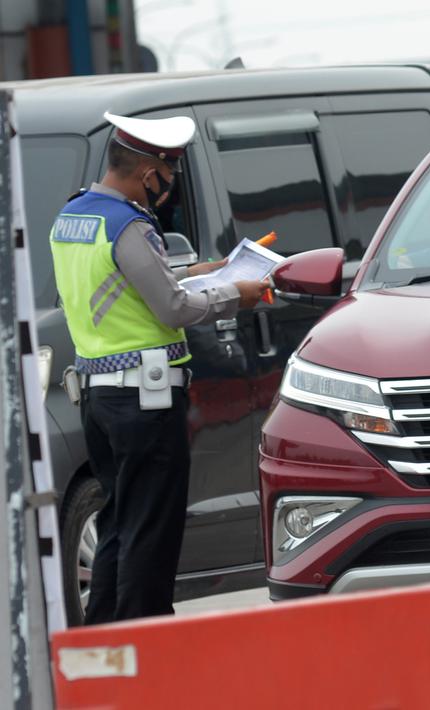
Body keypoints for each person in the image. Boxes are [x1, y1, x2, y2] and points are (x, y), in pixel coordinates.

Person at [50, 111, 267, 623]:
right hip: (146, 403)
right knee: (152, 530)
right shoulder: (129, 223)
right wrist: (238, 292)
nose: (167, 189)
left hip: (100, 397)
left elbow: (122, 284)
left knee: (119, 524)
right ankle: (149, 647)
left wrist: (199, 272)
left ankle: (106, 642)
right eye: (168, 178)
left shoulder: (74, 217)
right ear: (151, 174)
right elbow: (173, 309)